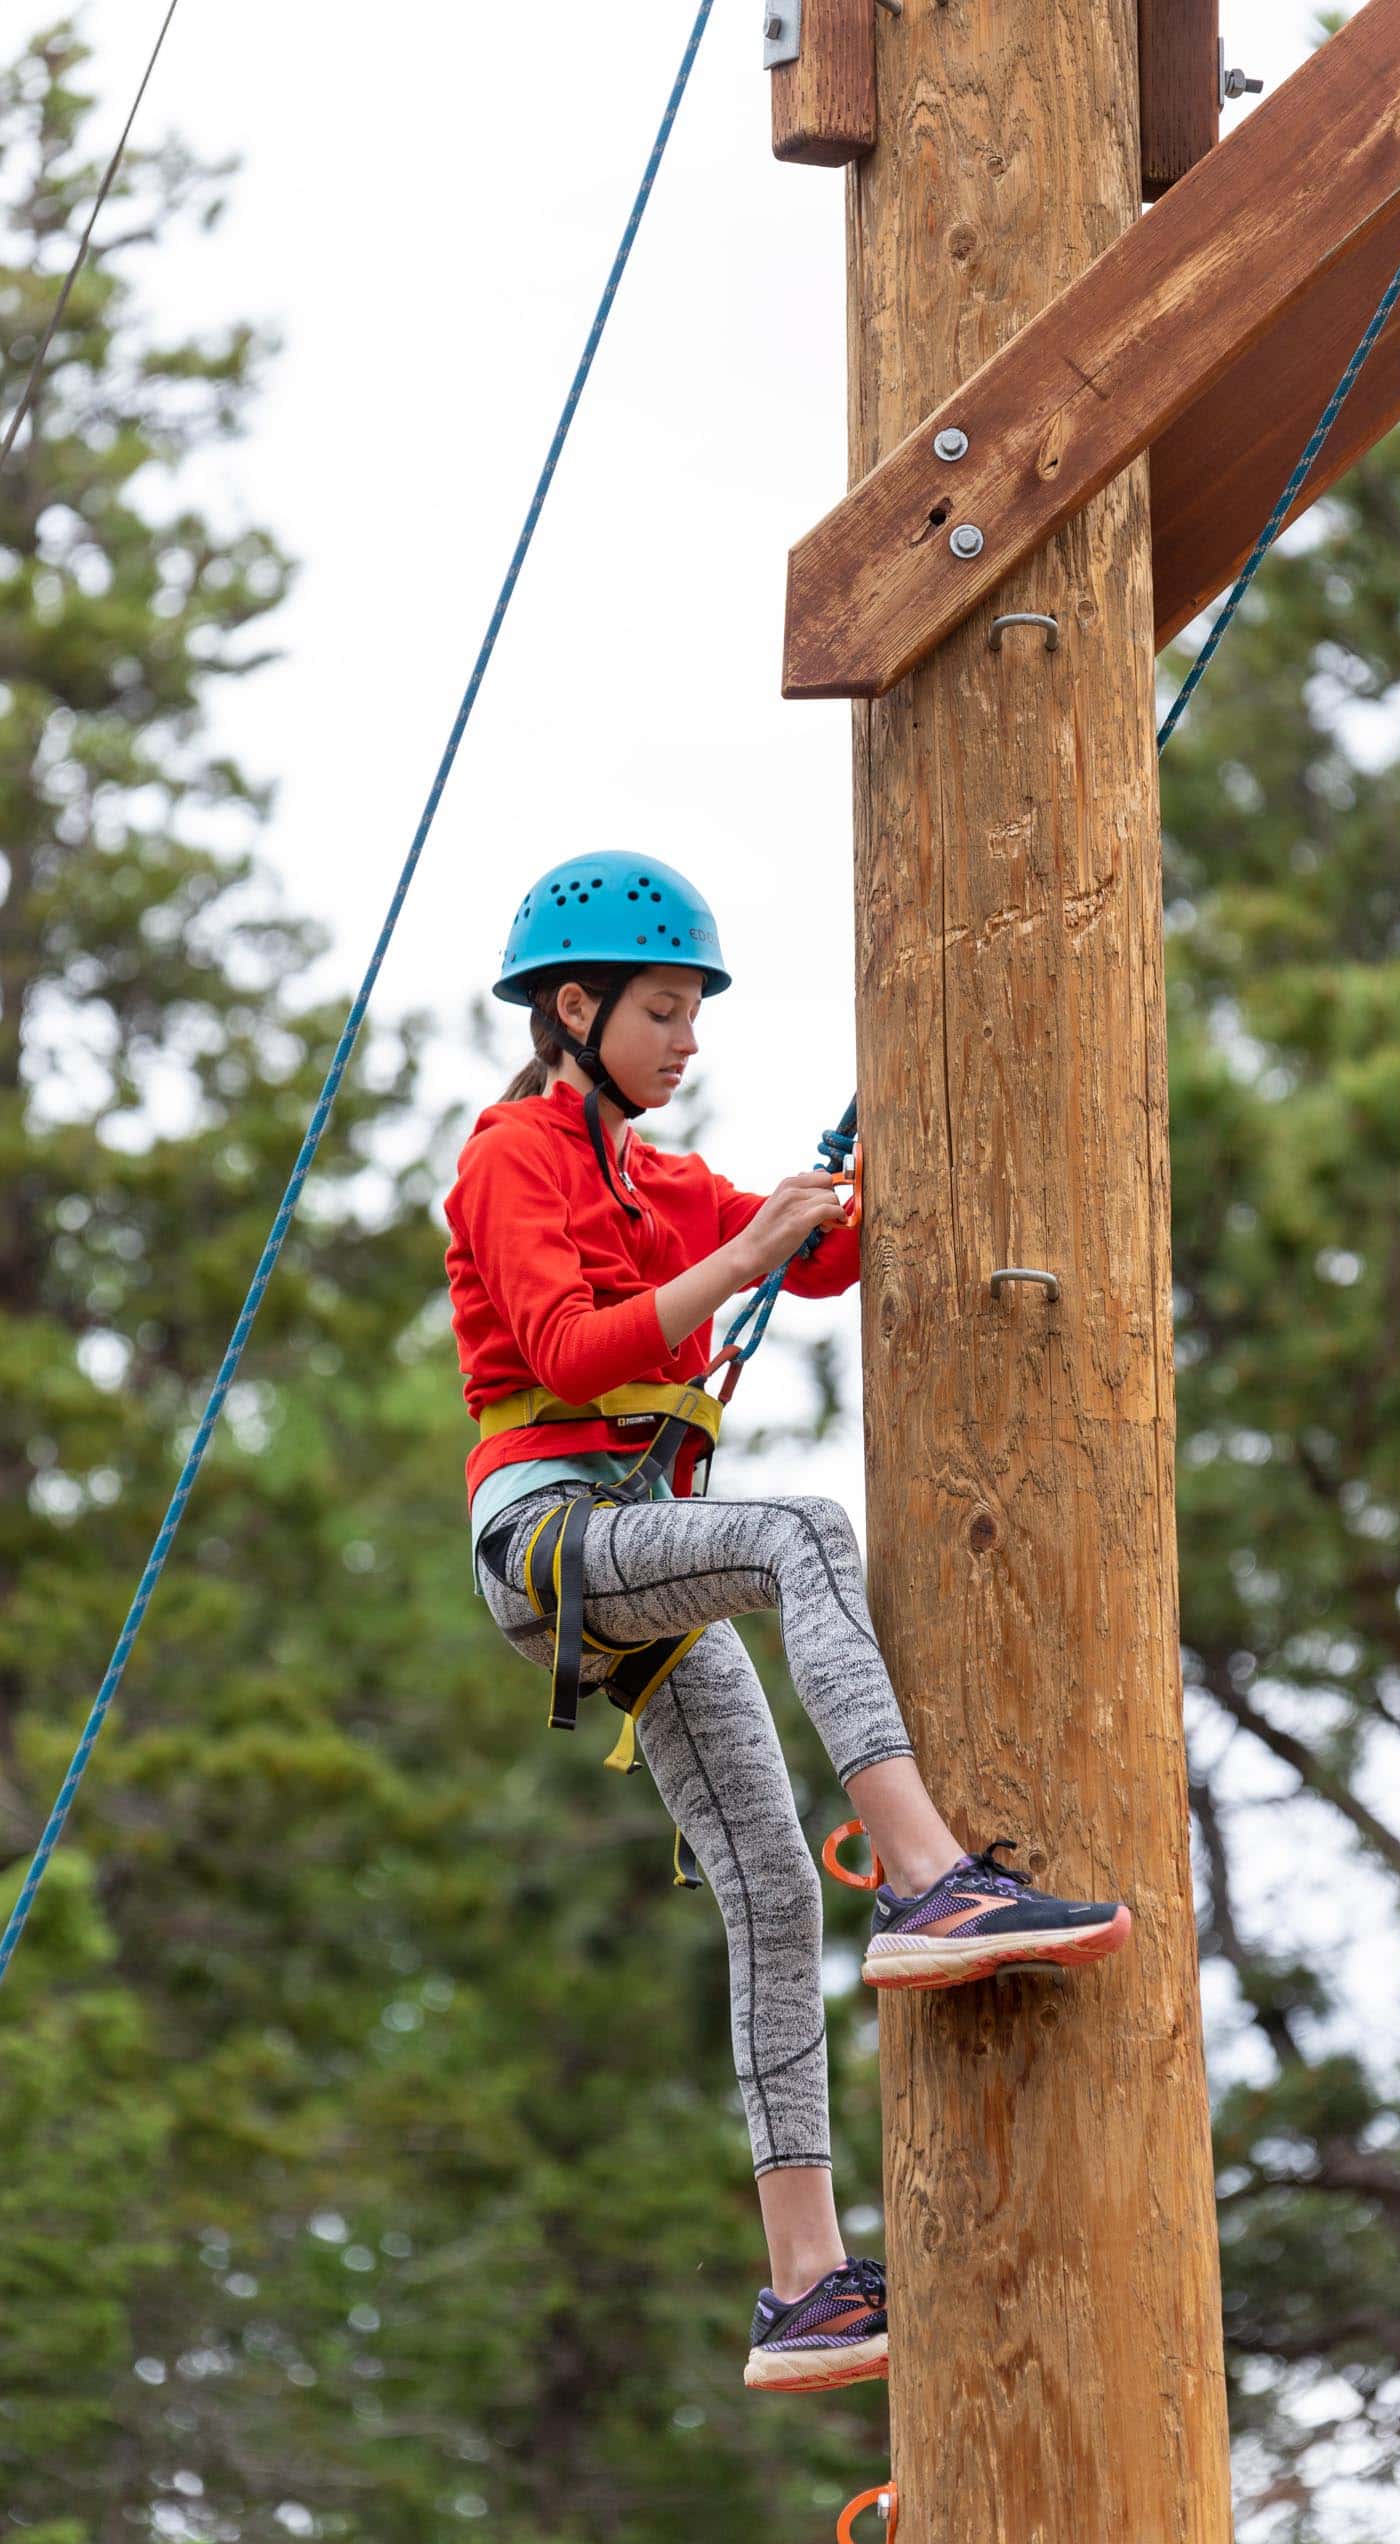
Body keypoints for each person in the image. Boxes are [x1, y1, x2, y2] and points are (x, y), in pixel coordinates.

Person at [442, 854, 1131, 2395]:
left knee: (766, 1890)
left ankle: (805, 2286)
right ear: (577, 1009)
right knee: (802, 1532)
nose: (688, 1042)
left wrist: (854, 1169)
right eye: (665, 1013)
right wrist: (746, 1255)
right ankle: (934, 1881)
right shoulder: (513, 1157)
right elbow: (564, 1342)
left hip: (631, 1572)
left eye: (694, 1013)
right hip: (553, 1537)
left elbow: (819, 1255)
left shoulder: (648, 1173)